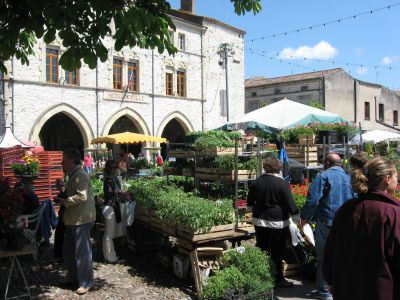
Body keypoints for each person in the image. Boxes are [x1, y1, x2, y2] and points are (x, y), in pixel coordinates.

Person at [323, 157, 400, 300]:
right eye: (397, 176)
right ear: (387, 179)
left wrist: (331, 280)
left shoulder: (346, 209)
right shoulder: (394, 213)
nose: (398, 180)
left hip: (346, 289)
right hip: (382, 291)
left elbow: (330, 250)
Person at [300, 153, 355, 300]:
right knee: (342, 257)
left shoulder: (323, 176)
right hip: (346, 224)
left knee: (324, 257)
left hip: (327, 221)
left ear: (327, 162)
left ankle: (324, 291)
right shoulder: (350, 178)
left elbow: (313, 199)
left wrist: (305, 218)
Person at [247, 157, 299, 288]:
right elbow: (290, 203)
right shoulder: (281, 183)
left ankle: (260, 276)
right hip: (277, 222)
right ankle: (278, 279)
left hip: (259, 219)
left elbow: (249, 203)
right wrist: (296, 215)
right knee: (277, 250)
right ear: (279, 168)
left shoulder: (257, 182)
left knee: (262, 247)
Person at [56, 149, 96, 295]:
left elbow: (82, 196)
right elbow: (74, 192)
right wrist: (62, 189)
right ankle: (73, 277)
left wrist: (65, 201)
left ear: (72, 161)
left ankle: (86, 282)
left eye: (64, 160)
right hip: (73, 219)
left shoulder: (80, 175)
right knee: (69, 251)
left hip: (81, 220)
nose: (62, 162)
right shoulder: (73, 175)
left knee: (82, 253)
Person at [102, 160, 132, 263]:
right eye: (112, 167)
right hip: (110, 207)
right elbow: (111, 193)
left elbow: (117, 191)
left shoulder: (114, 178)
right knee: (109, 234)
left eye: (116, 167)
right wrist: (122, 193)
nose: (114, 169)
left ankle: (109, 256)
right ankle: (111, 258)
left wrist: (123, 193)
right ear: (108, 169)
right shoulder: (109, 180)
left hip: (113, 207)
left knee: (110, 233)